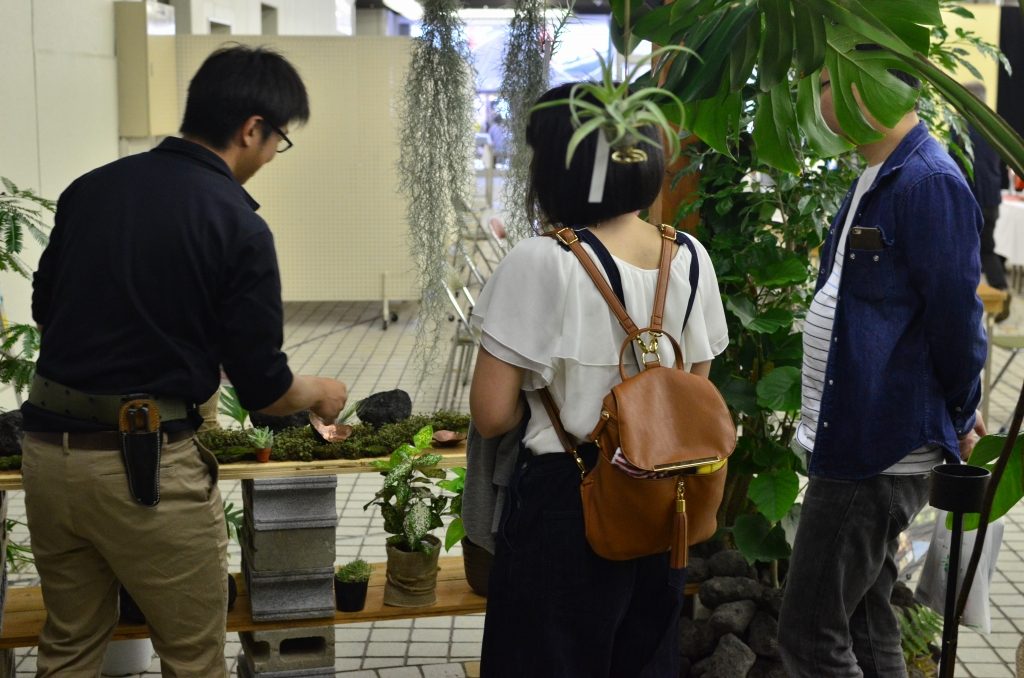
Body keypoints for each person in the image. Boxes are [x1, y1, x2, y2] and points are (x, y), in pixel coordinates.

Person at [22, 45, 348, 677]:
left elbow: (46, 309)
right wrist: (318, 391)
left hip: (50, 457)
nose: (269, 157)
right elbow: (264, 389)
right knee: (193, 657)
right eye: (277, 140)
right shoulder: (236, 223)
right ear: (251, 128)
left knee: (67, 646)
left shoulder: (89, 190)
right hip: (144, 469)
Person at [468, 82, 729, 677]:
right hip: (665, 499)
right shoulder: (687, 254)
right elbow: (694, 383)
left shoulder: (542, 261)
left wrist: (555, 404)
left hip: (568, 498)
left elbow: (492, 413)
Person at [777, 58, 988, 678]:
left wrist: (961, 411)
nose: (818, 100)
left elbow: (957, 319)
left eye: (824, 84)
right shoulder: (880, 172)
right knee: (867, 622)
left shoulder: (928, 182)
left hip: (877, 446)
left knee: (810, 634)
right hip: (855, 434)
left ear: (870, 84)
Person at [954, 81, 1010, 320]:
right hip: (992, 201)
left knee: (966, 252)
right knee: (987, 249)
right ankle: (1002, 293)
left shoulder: (961, 128)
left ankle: (970, 305)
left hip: (970, 200)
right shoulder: (996, 126)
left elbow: (952, 165)